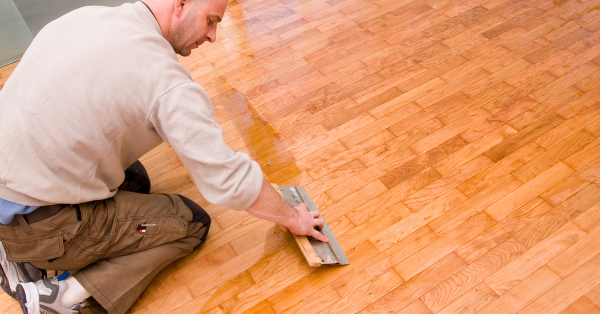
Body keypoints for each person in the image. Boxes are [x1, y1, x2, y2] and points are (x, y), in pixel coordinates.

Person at [0, 0, 329, 313]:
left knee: (136, 179)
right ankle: (62, 297)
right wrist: (292, 217)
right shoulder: (164, 81)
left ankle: (20, 251)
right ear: (181, 4)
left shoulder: (87, 18)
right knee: (187, 222)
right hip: (41, 227)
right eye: (211, 21)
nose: (213, 36)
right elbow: (229, 180)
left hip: (11, 186)